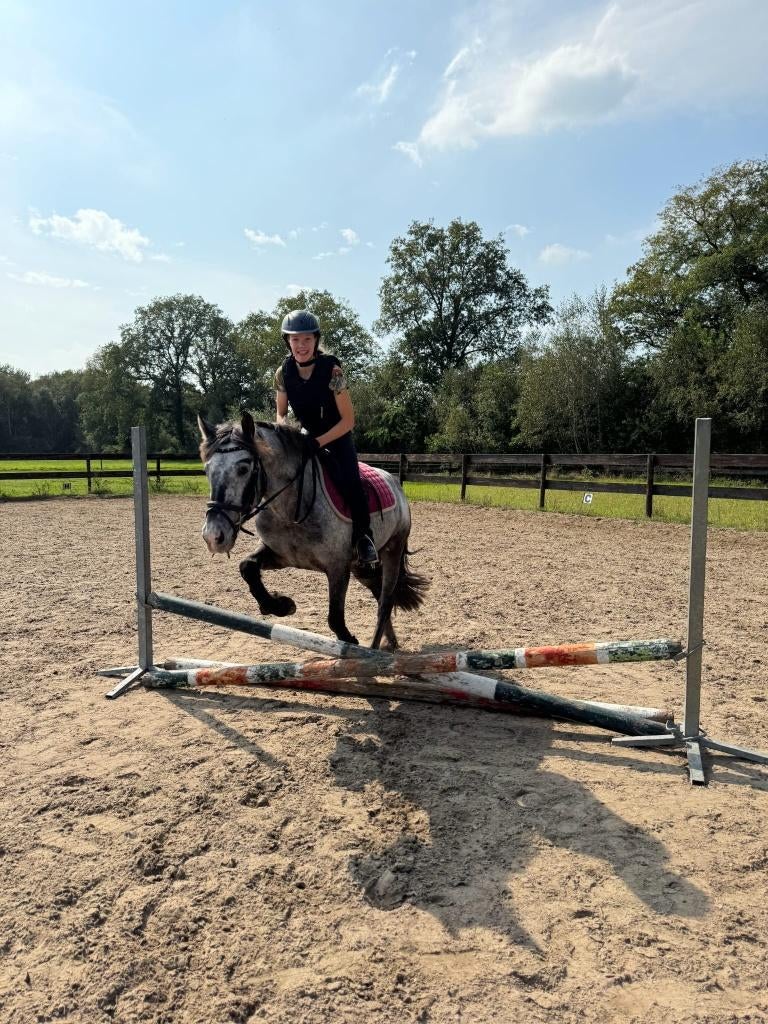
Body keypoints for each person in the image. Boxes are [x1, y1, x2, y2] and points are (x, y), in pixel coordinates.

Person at [274, 309, 379, 567]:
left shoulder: (333, 372)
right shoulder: (282, 373)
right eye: (295, 340)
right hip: (305, 436)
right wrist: (286, 432)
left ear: (316, 341)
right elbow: (280, 412)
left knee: (351, 481)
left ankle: (364, 539)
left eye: (307, 339)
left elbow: (348, 420)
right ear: (288, 342)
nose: (301, 346)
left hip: (336, 435)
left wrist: (319, 442)